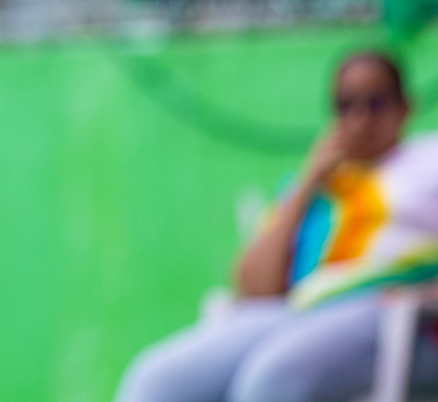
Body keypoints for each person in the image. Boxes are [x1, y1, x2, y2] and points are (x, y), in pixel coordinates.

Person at [115, 50, 438, 402]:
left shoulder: (425, 161)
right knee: (155, 380)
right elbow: (253, 291)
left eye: (376, 103)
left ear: (405, 107)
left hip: (389, 314)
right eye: (346, 106)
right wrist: (308, 182)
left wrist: (427, 294)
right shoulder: (319, 184)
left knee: (271, 381)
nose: (360, 119)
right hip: (297, 314)